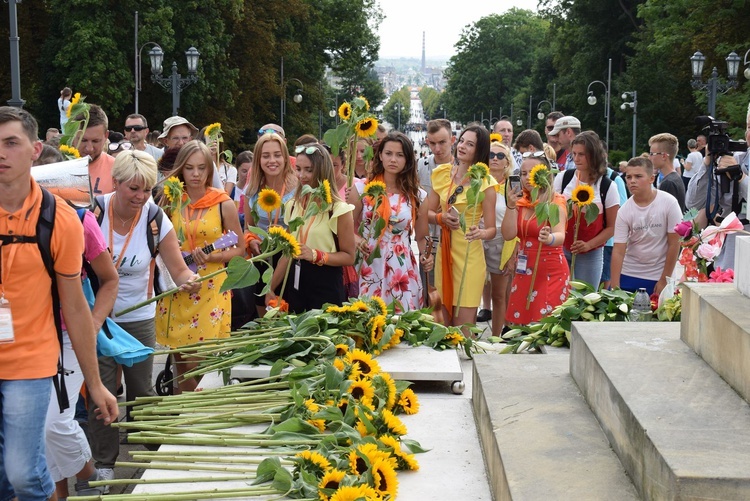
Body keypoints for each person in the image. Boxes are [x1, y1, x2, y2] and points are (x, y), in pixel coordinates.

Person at [0, 106, 118, 501]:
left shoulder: (60, 218)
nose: (1, 153)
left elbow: (74, 305)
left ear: (35, 150)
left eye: (10, 143)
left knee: (22, 473)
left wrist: (96, 383)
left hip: (32, 362)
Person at [88, 150, 200, 482]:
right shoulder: (93, 214)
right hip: (100, 318)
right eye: (133, 189)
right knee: (103, 391)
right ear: (116, 182)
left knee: (141, 390)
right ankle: (105, 463)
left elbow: (179, 269)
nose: (140, 197)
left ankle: (153, 452)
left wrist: (190, 282)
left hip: (139, 316)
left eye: (147, 190)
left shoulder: (155, 219)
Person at [156, 140, 244, 392]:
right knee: (180, 361)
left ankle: (197, 411)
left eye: (202, 168)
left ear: (210, 170)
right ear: (181, 169)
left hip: (211, 288)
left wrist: (213, 257)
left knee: (200, 362)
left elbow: (239, 249)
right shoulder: (169, 199)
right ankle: (182, 416)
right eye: (190, 168)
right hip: (177, 286)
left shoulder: (222, 203)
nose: (195, 174)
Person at [45, 203, 119, 500]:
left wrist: (94, 323)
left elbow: (110, 279)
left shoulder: (77, 219)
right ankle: (60, 493)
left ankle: (88, 473)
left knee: (55, 424)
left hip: (69, 335)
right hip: (21, 337)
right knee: (39, 430)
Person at [266, 143, 356, 312]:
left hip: (325, 281)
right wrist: (270, 287)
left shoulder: (338, 209)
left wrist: (315, 255)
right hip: (296, 280)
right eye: (298, 169)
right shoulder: (293, 205)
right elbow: (288, 252)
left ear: (322, 170)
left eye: (309, 169)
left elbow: (349, 257)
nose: (302, 175)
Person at [351, 132, 431, 312]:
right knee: (367, 319)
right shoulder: (362, 189)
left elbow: (422, 236)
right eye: (388, 153)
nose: (393, 159)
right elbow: (345, 228)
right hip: (369, 262)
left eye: (400, 155)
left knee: (400, 321)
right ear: (380, 155)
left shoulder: (418, 196)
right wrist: (358, 240)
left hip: (401, 265)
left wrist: (428, 255)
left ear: (408, 160)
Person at [427, 124, 497, 329]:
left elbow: (492, 229)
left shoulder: (487, 183)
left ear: (480, 150)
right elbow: (427, 213)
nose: (463, 146)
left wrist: (480, 232)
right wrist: (440, 218)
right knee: (442, 324)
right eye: (462, 140)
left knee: (463, 328)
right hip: (444, 255)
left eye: (471, 144)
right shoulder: (441, 174)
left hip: (470, 257)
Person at [502, 154, 569, 325]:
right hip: (525, 269)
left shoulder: (555, 202)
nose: (527, 178)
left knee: (544, 324)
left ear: (545, 175)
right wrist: (510, 205)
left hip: (550, 270)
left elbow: (560, 235)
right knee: (522, 324)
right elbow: (508, 234)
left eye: (532, 173)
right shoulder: (521, 202)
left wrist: (549, 238)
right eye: (523, 173)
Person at [553, 130, 620, 288]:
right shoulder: (563, 178)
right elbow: (553, 213)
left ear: (593, 155)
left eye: (581, 154)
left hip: (591, 252)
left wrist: (589, 244)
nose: (576, 159)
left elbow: (612, 227)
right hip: (561, 247)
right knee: (559, 296)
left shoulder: (607, 186)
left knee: (586, 298)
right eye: (574, 154)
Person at [243, 131, 298, 316]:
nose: (272, 160)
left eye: (277, 155)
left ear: (285, 157)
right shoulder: (252, 189)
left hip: (289, 261)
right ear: (258, 159)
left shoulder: (297, 188)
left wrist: (271, 287)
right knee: (263, 317)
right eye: (266, 156)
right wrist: (251, 240)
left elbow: (293, 239)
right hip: (262, 260)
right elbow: (247, 228)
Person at [610, 157, 682, 295]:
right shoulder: (624, 211)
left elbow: (674, 243)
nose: (632, 181)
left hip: (658, 275)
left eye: (638, 176)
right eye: (628, 177)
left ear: (651, 179)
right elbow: (619, 250)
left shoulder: (669, 203)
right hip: (629, 272)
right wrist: (615, 287)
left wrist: (664, 279)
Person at [482, 140, 514, 336]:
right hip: (477, 239)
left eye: (500, 156)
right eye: (491, 155)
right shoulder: (479, 182)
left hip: (501, 241)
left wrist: (513, 253)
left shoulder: (512, 187)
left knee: (499, 294)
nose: (495, 158)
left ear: (507, 162)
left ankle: (496, 336)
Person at [74, 104, 115, 195]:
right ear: (73, 135)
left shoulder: (118, 169)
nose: (89, 148)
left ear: (106, 136)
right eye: (83, 140)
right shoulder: (58, 165)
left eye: (95, 141)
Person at [649, 133, 686, 213]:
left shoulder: (668, 183)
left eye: (652, 154)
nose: (649, 157)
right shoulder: (675, 178)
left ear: (664, 156)